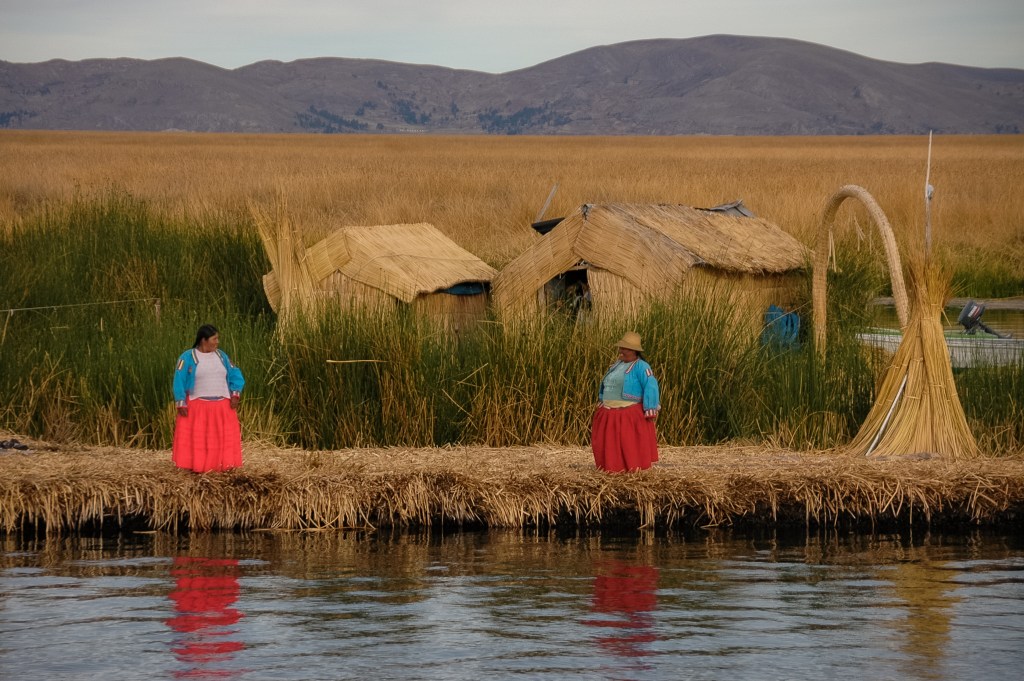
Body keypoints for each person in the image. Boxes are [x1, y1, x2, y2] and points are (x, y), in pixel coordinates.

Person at [172, 324, 244, 473]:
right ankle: (196, 466)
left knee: (220, 438)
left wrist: (235, 393)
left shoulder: (222, 356)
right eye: (215, 339)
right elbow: (179, 378)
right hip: (197, 407)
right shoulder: (187, 357)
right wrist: (181, 402)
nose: (217, 342)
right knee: (199, 439)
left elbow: (235, 373)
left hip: (222, 407)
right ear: (204, 340)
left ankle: (221, 466)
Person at [591, 331, 660, 472]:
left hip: (628, 413)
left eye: (625, 348)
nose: (621, 351)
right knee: (609, 443)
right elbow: (607, 383)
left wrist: (650, 407)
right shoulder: (616, 365)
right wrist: (601, 399)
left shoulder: (642, 367)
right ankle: (611, 467)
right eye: (621, 347)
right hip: (610, 412)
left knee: (628, 443)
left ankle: (631, 469)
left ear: (634, 351)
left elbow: (650, 385)